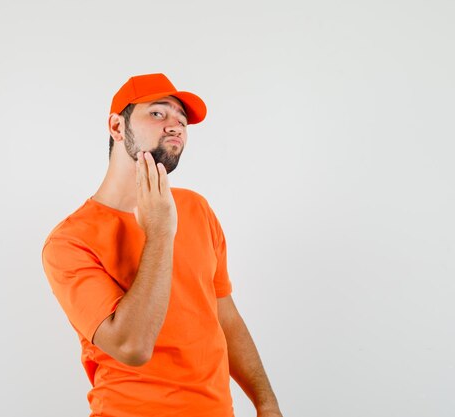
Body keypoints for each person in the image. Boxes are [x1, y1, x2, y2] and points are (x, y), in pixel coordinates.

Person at [41, 73, 282, 417]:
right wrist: (159, 234)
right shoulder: (69, 241)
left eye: (182, 121)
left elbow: (224, 316)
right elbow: (132, 346)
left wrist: (266, 403)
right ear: (117, 127)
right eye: (158, 113)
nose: (175, 126)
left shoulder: (196, 209)